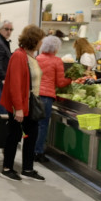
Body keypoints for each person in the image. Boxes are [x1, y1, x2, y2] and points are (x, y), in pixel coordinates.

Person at [0, 25, 46, 182]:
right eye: (40, 40)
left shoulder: (30, 56)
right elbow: (15, 84)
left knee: (31, 136)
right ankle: (7, 168)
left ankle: (27, 168)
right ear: (34, 40)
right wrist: (18, 108)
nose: (42, 43)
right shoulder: (19, 56)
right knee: (14, 135)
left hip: (31, 103)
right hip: (20, 104)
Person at [35, 35, 73, 163]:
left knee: (34, 125)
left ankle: (31, 150)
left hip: (34, 95)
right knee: (43, 125)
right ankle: (39, 151)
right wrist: (71, 79)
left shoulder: (37, 58)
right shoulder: (57, 61)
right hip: (47, 97)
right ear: (56, 48)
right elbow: (61, 83)